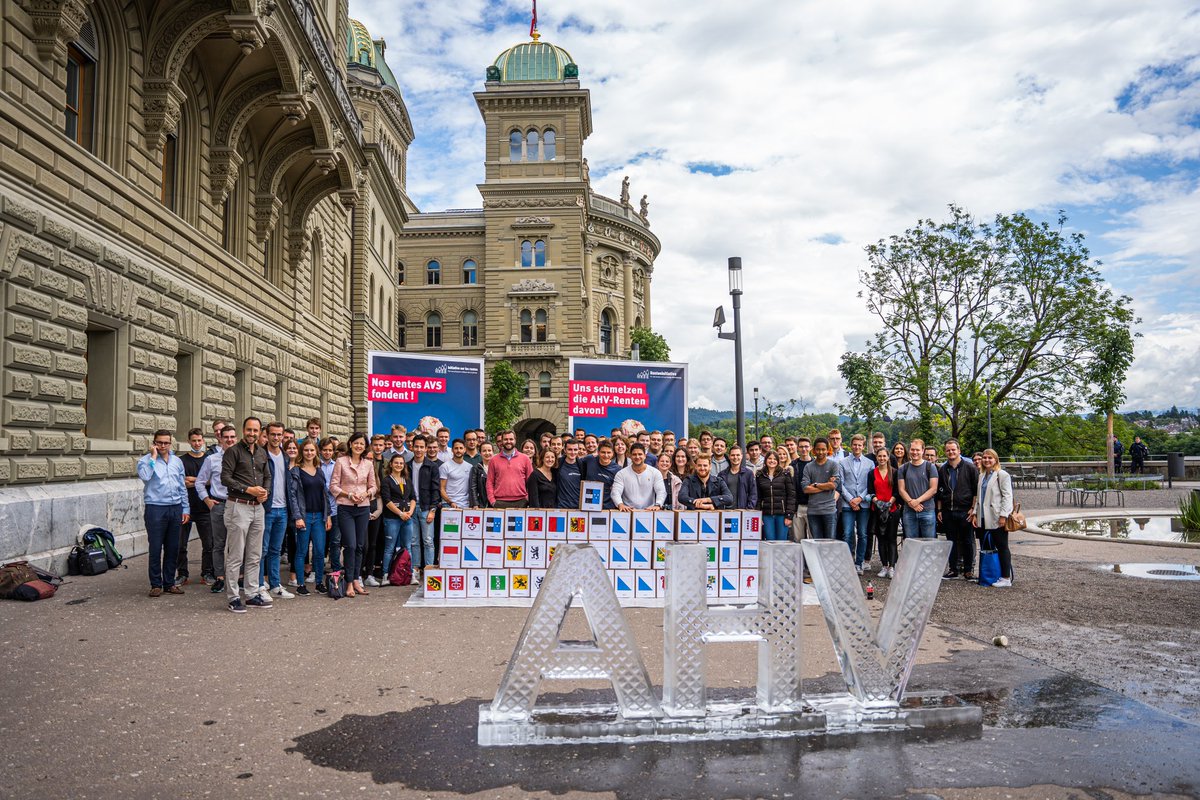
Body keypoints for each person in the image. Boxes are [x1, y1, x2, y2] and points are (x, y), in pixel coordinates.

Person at [221, 417, 271, 612]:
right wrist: (248, 489)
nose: (252, 433)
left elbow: (267, 476)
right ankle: (233, 597)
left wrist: (265, 492)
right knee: (235, 556)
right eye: (249, 430)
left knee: (255, 555)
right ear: (243, 430)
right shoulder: (233, 451)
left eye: (255, 430)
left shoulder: (261, 452)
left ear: (259, 432)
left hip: (258, 508)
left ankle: (251, 594)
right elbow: (225, 478)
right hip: (238, 506)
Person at [137, 429, 189, 597]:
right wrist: (153, 457)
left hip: (175, 507)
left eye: (166, 443)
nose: (163, 446)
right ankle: (156, 584)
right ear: (154, 443)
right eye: (159, 442)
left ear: (170, 443)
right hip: (155, 508)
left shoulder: (177, 462)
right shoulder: (145, 461)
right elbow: (145, 476)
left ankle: (169, 583)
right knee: (155, 547)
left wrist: (185, 508)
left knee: (173, 547)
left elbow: (182, 486)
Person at [329, 432, 377, 598]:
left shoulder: (368, 464)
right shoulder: (341, 461)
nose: (358, 446)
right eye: (356, 443)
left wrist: (366, 494)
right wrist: (348, 494)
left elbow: (373, 487)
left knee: (361, 546)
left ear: (365, 446)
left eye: (362, 444)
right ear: (350, 444)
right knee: (350, 545)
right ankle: (349, 582)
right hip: (346, 507)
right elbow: (333, 486)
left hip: (363, 508)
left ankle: (356, 580)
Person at [196, 424, 237, 594]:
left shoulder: (242, 458)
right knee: (218, 544)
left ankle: (236, 578)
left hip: (237, 505)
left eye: (232, 437)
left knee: (236, 544)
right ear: (220, 438)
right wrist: (207, 501)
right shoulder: (211, 459)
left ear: (236, 438)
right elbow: (199, 482)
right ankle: (220, 578)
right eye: (226, 437)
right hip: (219, 505)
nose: (229, 440)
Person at [287, 440, 330, 596]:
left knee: (319, 551)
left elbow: (325, 495)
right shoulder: (296, 471)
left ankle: (319, 583)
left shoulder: (319, 471)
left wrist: (328, 516)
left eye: (312, 450)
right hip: (304, 516)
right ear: (301, 452)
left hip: (319, 516)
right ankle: (300, 584)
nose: (309, 453)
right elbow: (292, 496)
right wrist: (297, 517)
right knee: (302, 551)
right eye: (306, 450)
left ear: (316, 452)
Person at [256, 422, 294, 599]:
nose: (276, 438)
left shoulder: (286, 456)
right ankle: (259, 586)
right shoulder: (260, 454)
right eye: (273, 434)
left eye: (279, 434)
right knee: (261, 550)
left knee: (275, 550)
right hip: (267, 509)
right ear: (267, 435)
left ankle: (275, 585)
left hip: (283, 509)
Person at [937, 438, 979, 580]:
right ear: (945, 452)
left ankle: (968, 570)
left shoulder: (970, 468)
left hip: (965, 510)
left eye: (953, 449)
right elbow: (940, 492)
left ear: (959, 451)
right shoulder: (943, 469)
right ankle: (953, 569)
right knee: (951, 541)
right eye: (948, 450)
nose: (951, 452)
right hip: (948, 511)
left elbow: (976, 491)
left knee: (967, 541)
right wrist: (940, 510)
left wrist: (973, 508)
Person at [971, 448, 1014, 587]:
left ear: (996, 459)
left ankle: (1006, 577)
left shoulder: (1002, 475)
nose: (987, 460)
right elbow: (979, 497)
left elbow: (1007, 496)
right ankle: (990, 574)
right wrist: (975, 514)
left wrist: (1003, 515)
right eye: (984, 457)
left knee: (1002, 546)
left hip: (996, 516)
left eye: (990, 458)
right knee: (987, 547)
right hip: (983, 517)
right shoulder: (982, 475)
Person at [178, 427, 214, 586]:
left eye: (199, 440)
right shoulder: (182, 460)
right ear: (189, 441)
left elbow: (213, 480)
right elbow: (181, 482)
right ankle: (182, 574)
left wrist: (194, 480)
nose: (197, 443)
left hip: (205, 507)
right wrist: (201, 481)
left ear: (203, 441)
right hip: (185, 507)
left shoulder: (209, 459)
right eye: (194, 441)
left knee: (209, 544)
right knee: (181, 544)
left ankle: (207, 573)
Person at [837, 434, 873, 573]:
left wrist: (860, 498)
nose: (857, 447)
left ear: (863, 446)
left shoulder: (869, 463)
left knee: (863, 534)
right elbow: (841, 483)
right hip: (848, 503)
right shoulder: (843, 462)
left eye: (859, 445)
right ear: (851, 445)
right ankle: (847, 562)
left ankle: (859, 563)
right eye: (855, 444)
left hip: (863, 504)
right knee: (847, 534)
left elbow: (870, 484)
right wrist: (851, 499)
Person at [379, 453, 417, 584]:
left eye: (401, 463)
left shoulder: (407, 480)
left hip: (408, 518)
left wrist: (410, 512)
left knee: (408, 547)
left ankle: (410, 574)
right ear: (391, 464)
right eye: (396, 463)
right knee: (389, 547)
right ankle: (385, 575)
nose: (399, 465)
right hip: (392, 519)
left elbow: (413, 498)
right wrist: (400, 513)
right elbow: (387, 500)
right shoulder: (386, 481)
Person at [869, 448, 901, 578]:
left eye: (884, 456)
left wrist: (889, 503)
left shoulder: (895, 472)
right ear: (876, 457)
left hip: (892, 509)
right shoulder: (872, 473)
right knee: (881, 539)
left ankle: (892, 566)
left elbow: (897, 491)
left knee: (891, 538)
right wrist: (877, 502)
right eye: (879, 456)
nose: (882, 458)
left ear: (888, 457)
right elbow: (870, 491)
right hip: (877, 510)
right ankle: (884, 566)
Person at [898, 438, 939, 539]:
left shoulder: (930, 467)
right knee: (911, 542)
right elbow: (901, 489)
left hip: (927, 511)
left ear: (923, 450)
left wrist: (917, 501)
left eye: (917, 450)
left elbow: (933, 489)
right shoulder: (903, 468)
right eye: (912, 449)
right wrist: (911, 502)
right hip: (909, 511)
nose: (915, 452)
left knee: (929, 543)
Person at [410, 435, 439, 574]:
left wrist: (433, 510)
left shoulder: (432, 466)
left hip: (426, 507)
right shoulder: (407, 465)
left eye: (422, 447)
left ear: (426, 448)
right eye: (416, 446)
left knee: (428, 540)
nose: (419, 449)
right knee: (414, 540)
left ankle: (429, 569)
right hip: (411, 507)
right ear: (412, 447)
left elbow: (436, 489)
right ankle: (415, 568)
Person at [801, 437, 838, 539]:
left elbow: (833, 485)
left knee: (830, 542)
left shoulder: (833, 465)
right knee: (816, 543)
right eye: (818, 449)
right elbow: (805, 489)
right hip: (813, 511)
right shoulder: (808, 467)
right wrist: (826, 485)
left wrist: (816, 484)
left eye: (823, 449)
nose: (820, 452)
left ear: (827, 450)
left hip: (829, 510)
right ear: (814, 450)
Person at [487, 430, 534, 508]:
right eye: (506, 439)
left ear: (515, 440)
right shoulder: (493, 460)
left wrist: (527, 498)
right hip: (499, 502)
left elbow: (531, 482)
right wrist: (492, 501)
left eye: (511, 439)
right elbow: (489, 482)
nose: (508, 441)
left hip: (521, 502)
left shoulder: (525, 459)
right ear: (502, 441)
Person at [612, 443, 666, 511]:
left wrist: (658, 504)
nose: (637, 457)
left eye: (640, 454)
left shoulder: (655, 473)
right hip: (628, 511)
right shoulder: (621, 474)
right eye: (634, 454)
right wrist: (620, 504)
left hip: (649, 511)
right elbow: (615, 492)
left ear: (645, 456)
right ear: (630, 456)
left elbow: (661, 491)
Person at [756, 450, 795, 541]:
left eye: (774, 459)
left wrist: (789, 515)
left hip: (782, 514)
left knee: (781, 541)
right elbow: (758, 497)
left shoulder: (785, 474)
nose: (772, 461)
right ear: (765, 460)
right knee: (770, 540)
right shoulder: (759, 475)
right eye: (769, 458)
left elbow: (791, 496)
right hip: (766, 515)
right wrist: (758, 515)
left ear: (778, 461)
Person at [581, 439, 621, 509]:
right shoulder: (589, 459)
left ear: (613, 453)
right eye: (603, 452)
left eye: (609, 452)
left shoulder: (617, 469)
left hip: (607, 507)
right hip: (588, 504)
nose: (606, 455)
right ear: (598, 452)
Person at [719, 445, 758, 510]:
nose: (735, 457)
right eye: (733, 455)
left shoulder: (748, 474)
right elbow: (718, 495)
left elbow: (753, 494)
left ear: (742, 456)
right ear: (729, 456)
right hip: (725, 511)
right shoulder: (722, 474)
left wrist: (749, 509)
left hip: (743, 511)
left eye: (738, 455)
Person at [790, 437, 813, 540]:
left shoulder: (816, 464)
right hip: (798, 507)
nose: (804, 449)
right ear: (798, 448)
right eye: (801, 447)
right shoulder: (793, 465)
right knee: (798, 539)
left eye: (806, 446)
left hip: (813, 506)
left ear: (811, 447)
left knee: (813, 538)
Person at [439, 439, 473, 509]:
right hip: (448, 504)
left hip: (466, 505)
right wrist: (450, 502)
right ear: (452, 450)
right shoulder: (445, 466)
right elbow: (441, 488)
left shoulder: (470, 467)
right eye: (456, 448)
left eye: (461, 448)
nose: (458, 450)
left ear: (465, 450)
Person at [555, 438, 583, 509]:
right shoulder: (558, 463)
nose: (573, 452)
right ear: (565, 450)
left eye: (575, 450)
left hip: (578, 507)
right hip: (561, 506)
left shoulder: (582, 465)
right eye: (570, 449)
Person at [468, 441, 494, 508]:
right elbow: (473, 487)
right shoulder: (476, 468)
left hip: (495, 503)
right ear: (480, 453)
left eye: (489, 450)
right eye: (484, 451)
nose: (487, 453)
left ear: (493, 452)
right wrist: (475, 504)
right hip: (481, 504)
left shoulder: (498, 467)